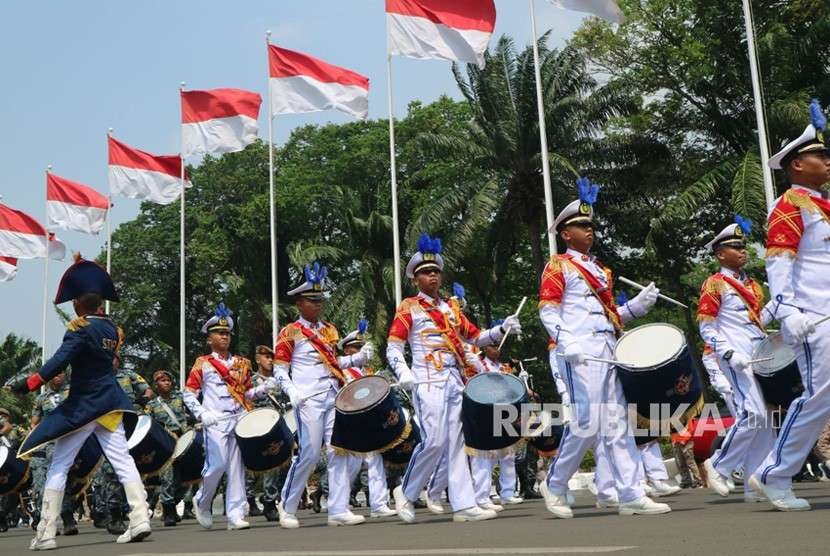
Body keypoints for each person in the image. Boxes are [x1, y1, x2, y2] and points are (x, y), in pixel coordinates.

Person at [538, 178, 670, 518]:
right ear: (565, 234)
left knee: (618, 424)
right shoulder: (558, 265)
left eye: (590, 225)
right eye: (581, 225)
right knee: (587, 422)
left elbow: (611, 315)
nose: (589, 230)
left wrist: (637, 307)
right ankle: (554, 484)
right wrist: (566, 340)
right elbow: (548, 309)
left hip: (607, 349)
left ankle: (630, 494)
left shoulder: (599, 269)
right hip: (579, 352)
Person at [14, 257, 151, 549]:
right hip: (110, 403)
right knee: (123, 459)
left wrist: (29, 383)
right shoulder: (113, 329)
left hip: (84, 406)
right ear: (99, 303)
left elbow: (60, 361)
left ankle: (46, 533)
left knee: (59, 465)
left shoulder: (80, 328)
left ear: (77, 304)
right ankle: (140, 518)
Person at [387, 233, 521, 523]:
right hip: (426, 380)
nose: (432, 277)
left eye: (435, 271)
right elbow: (393, 346)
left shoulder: (451, 308)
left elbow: (474, 337)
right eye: (425, 273)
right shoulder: (409, 307)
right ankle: (406, 492)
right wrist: (404, 373)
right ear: (415, 279)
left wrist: (500, 330)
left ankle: (463, 504)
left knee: (458, 443)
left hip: (453, 380)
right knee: (434, 441)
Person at [749, 101, 830, 511]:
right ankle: (774, 473)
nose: (827, 160)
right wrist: (787, 310)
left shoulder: (822, 205)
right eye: (820, 154)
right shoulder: (790, 205)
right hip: (816, 319)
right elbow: (779, 261)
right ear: (797, 164)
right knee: (819, 399)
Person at [274, 263, 373, 528]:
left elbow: (333, 363)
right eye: (312, 300)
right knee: (308, 453)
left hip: (333, 395)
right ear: (299, 303)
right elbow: (280, 369)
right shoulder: (290, 332)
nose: (318, 305)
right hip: (308, 398)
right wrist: (292, 391)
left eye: (320, 300)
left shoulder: (329, 330)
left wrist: (356, 358)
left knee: (339, 450)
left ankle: (338, 508)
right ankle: (288, 505)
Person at [697, 217, 777, 503]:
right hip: (735, 357)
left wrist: (778, 305)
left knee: (766, 420)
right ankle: (718, 464)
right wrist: (728, 353)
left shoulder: (753, 286)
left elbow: (757, 322)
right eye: (735, 247)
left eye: (742, 246)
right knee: (752, 413)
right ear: (720, 254)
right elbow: (706, 327)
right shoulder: (714, 284)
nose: (742, 251)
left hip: (758, 355)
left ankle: (755, 480)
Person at [183, 303, 276, 530]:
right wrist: (202, 413)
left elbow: (246, 394)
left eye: (227, 333)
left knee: (236, 466)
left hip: (238, 418)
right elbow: (188, 394)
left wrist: (264, 389)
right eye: (219, 333)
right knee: (217, 465)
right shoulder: (203, 364)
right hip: (215, 421)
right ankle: (202, 501)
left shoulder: (242, 363)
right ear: (209, 338)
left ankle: (235, 513)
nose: (224, 337)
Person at [338, 321, 397, 519]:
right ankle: (339, 503)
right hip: (352, 422)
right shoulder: (344, 371)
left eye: (364, 349)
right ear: (348, 351)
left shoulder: (367, 372)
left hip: (369, 421)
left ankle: (378, 504)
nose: (365, 353)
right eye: (358, 349)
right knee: (351, 467)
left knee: (375, 460)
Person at [469, 343, 523, 510]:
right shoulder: (478, 363)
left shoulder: (503, 367)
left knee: (508, 454)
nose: (497, 349)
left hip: (504, 412)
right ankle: (481, 495)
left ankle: (507, 493)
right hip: (485, 412)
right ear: (485, 349)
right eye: (492, 346)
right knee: (487, 455)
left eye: (498, 346)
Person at [29, 372, 80, 535]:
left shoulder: (74, 392)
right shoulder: (41, 399)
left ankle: (67, 519)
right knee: (41, 486)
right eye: (55, 374)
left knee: (61, 481)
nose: (58, 377)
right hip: (46, 444)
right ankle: (46, 522)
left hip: (67, 441)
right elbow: (34, 424)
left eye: (61, 374)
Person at [145, 369, 194, 526]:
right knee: (168, 477)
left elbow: (192, 412)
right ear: (156, 384)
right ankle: (169, 512)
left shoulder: (180, 398)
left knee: (186, 477)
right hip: (165, 442)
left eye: (168, 380)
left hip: (183, 439)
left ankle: (173, 503)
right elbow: (149, 426)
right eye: (162, 380)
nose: (166, 383)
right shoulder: (152, 405)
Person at [245, 345, 287, 522]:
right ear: (257, 359)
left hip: (276, 426)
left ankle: (270, 502)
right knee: (253, 468)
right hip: (257, 427)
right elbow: (245, 401)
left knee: (277, 464)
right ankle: (249, 499)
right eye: (266, 357)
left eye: (272, 357)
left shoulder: (279, 380)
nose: (270, 360)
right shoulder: (251, 381)